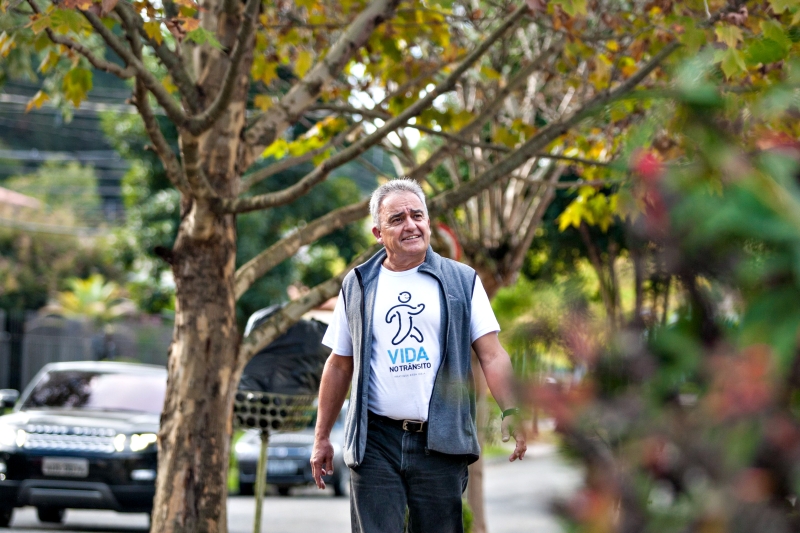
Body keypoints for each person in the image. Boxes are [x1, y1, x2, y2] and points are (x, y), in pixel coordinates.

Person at [311, 178, 526, 533]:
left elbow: (492, 355)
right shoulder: (359, 284)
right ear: (378, 233)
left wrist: (512, 410)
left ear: (427, 221)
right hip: (375, 440)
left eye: (417, 215)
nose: (410, 225)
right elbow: (339, 363)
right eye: (397, 219)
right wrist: (321, 437)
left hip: (441, 439)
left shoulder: (462, 281)